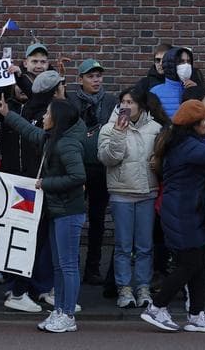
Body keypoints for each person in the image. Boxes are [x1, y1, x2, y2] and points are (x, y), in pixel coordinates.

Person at [139, 99, 205, 334]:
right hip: (182, 213)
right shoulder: (187, 146)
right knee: (190, 264)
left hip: (188, 211)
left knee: (198, 262)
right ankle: (156, 307)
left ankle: (197, 315)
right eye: (204, 120)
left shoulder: (183, 142)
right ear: (193, 125)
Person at [0, 89, 87, 333]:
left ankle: (68, 315)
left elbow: (78, 176)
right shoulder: (51, 138)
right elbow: (29, 131)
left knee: (68, 266)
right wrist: (8, 114)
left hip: (69, 212)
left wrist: (45, 183)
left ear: (57, 119)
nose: (44, 116)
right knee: (59, 266)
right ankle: (59, 311)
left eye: (48, 113)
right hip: (58, 211)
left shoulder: (67, 145)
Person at [97, 88, 162, 309]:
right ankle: (124, 288)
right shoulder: (109, 128)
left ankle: (143, 287)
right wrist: (118, 133)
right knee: (123, 246)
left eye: (131, 102)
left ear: (141, 106)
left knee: (145, 246)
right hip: (121, 193)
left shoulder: (155, 128)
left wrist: (158, 162)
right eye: (123, 101)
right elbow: (107, 158)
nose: (126, 106)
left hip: (147, 192)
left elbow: (164, 156)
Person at [70, 59, 111, 287]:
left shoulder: (111, 102)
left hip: (100, 167)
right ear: (81, 79)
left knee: (98, 219)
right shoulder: (71, 100)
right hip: (77, 167)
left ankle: (93, 268)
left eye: (98, 76)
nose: (96, 80)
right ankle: (72, 266)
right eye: (91, 76)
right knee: (74, 218)